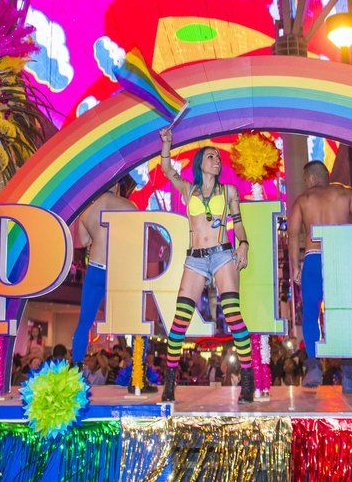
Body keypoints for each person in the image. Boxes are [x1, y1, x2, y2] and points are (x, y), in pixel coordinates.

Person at [158, 128, 255, 403]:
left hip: (222, 255)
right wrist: (167, 144)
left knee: (234, 317)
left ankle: (247, 381)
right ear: (200, 163)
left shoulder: (229, 191)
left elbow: (238, 222)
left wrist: (244, 243)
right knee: (179, 323)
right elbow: (167, 169)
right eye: (211, 156)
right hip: (196, 258)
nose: (217, 160)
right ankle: (169, 383)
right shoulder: (188, 189)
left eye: (218, 157)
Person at [288, 160, 352, 392]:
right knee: (346, 314)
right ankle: (349, 373)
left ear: (309, 178)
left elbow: (292, 235)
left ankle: (313, 367)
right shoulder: (346, 193)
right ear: (327, 175)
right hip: (343, 256)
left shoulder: (303, 200)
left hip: (314, 257)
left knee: (310, 314)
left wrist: (295, 266)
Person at [70, 177, 138, 366]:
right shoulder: (126, 205)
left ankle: (76, 369)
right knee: (136, 320)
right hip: (119, 270)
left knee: (84, 322)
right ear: (116, 185)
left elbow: (83, 242)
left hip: (95, 269)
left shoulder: (86, 212)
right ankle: (138, 373)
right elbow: (138, 230)